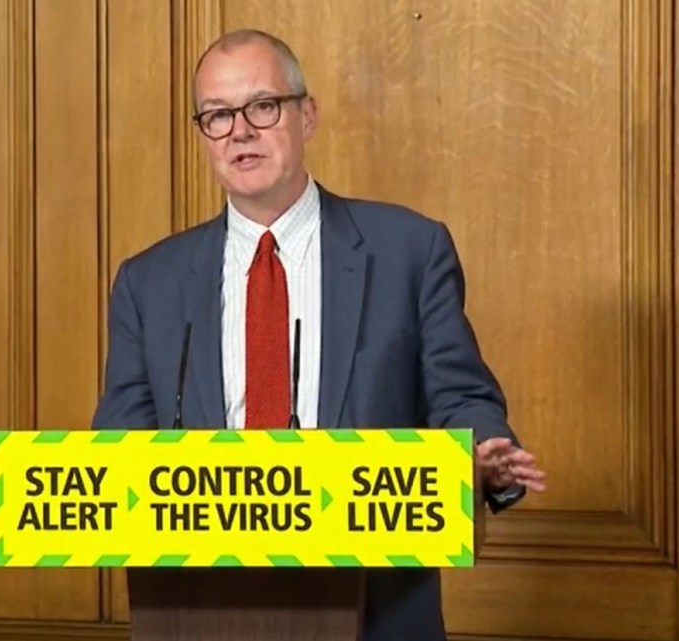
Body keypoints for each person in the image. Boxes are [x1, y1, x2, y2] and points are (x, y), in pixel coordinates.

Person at [87, 28, 546, 640]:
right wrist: (49, 482)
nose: (240, 131)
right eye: (217, 116)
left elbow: (461, 397)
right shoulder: (148, 281)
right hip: (198, 607)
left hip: (375, 607)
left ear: (307, 115)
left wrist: (482, 455)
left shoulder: (408, 250)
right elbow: (119, 441)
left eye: (262, 106)